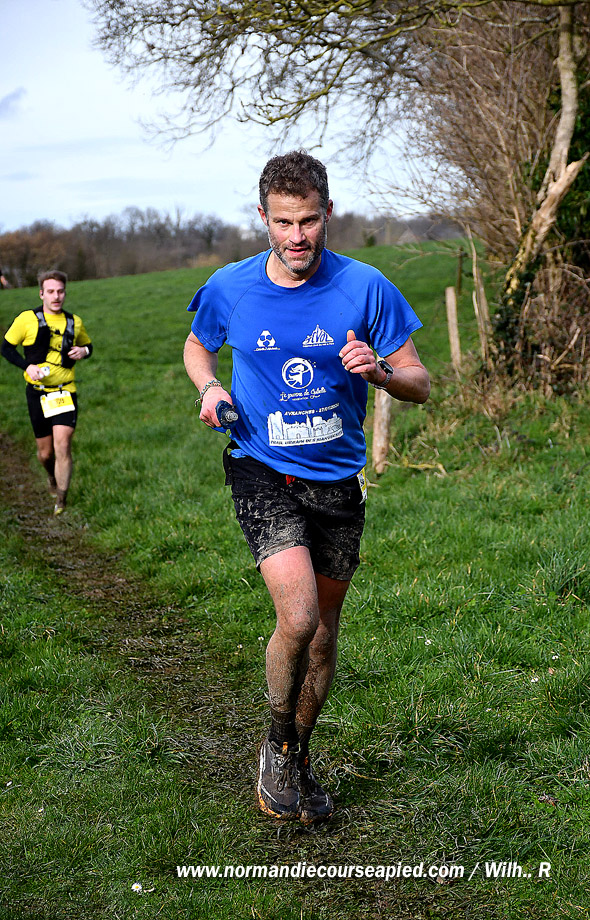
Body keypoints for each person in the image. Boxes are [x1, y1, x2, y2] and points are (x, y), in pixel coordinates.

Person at [184, 150, 430, 824]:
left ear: (328, 215)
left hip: (337, 482)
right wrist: (209, 387)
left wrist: (379, 371)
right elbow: (198, 344)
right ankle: (275, 742)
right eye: (284, 222)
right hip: (261, 468)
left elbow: (420, 383)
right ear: (263, 219)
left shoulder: (365, 286)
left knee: (322, 638)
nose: (297, 236)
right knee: (297, 619)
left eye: (310, 221)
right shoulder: (231, 286)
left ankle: (295, 752)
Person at [1, 270, 93, 514]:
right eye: (51, 291)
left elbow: (88, 346)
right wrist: (27, 366)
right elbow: (6, 348)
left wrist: (83, 352)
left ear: (65, 293)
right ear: (41, 294)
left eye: (60, 291)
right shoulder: (26, 319)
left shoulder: (74, 322)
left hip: (64, 392)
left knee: (63, 444)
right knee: (45, 453)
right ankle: (51, 476)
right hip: (38, 393)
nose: (56, 296)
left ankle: (61, 500)